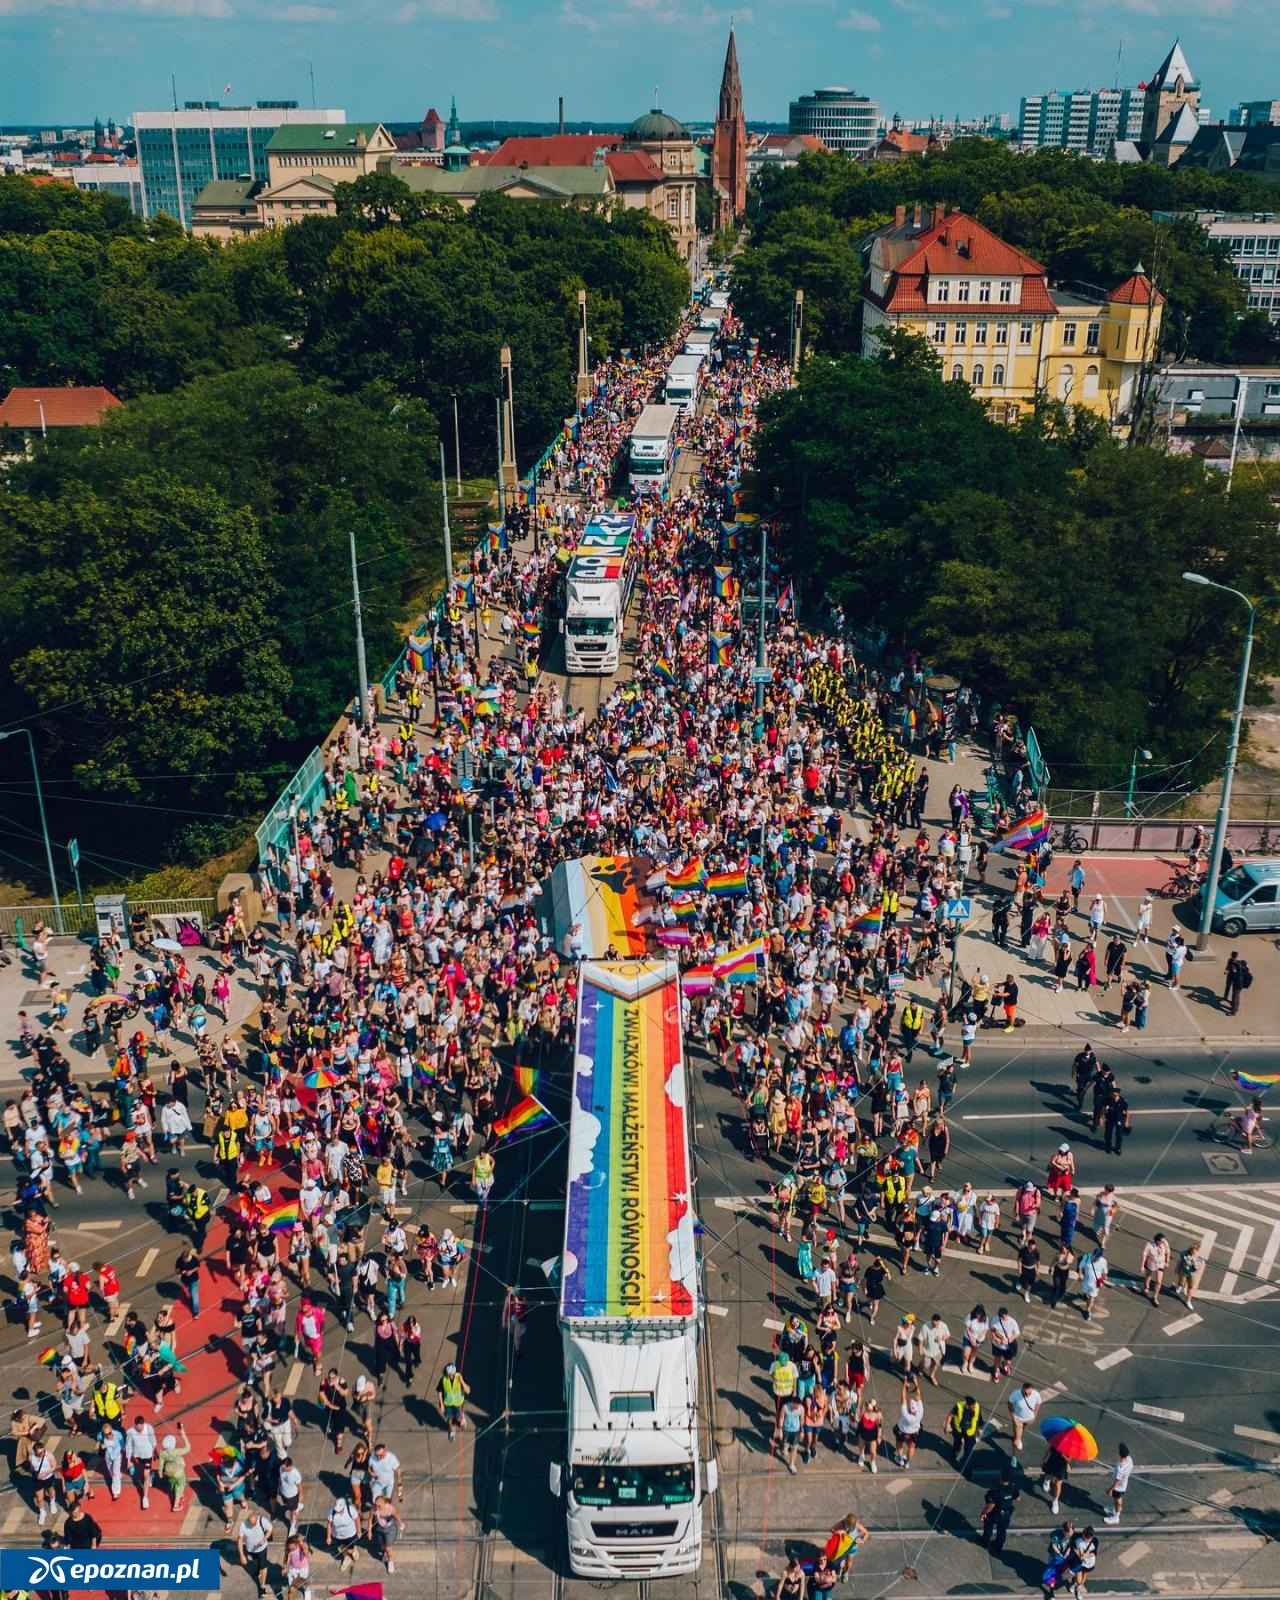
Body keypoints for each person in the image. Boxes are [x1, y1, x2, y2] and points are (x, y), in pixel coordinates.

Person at [980, 1468, 1021, 1555]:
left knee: (988, 1527)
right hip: (1006, 1513)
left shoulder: (996, 1490)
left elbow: (990, 1506)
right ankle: (998, 1547)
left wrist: (983, 1513)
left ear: (1001, 1478)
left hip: (994, 1514)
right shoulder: (1013, 1486)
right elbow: (1018, 1498)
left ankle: (985, 1542)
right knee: (1002, 1531)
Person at [237, 1508, 274, 1598]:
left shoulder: (262, 1520)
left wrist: (264, 1539)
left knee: (263, 1566)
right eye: (250, 1525)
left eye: (254, 1525)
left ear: (256, 1519)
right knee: (256, 1562)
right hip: (250, 1549)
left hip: (262, 1548)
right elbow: (240, 1540)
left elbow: (270, 1529)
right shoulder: (243, 1524)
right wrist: (242, 1555)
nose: (252, 1527)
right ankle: (258, 1570)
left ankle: (262, 1587)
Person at [947, 1395, 982, 1476]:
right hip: (959, 1430)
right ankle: (955, 1451)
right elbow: (950, 1415)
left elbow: (979, 1420)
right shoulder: (959, 1406)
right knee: (957, 1443)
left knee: (968, 1452)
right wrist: (947, 1425)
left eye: (974, 1405)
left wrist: (979, 1430)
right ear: (967, 1406)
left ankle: (968, 1471)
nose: (974, 1407)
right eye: (972, 1406)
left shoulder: (976, 1408)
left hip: (970, 1433)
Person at [436, 1361, 471, 1441]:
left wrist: (462, 1381)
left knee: (457, 1417)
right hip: (447, 1404)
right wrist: (441, 1403)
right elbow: (439, 1391)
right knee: (449, 1418)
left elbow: (468, 1391)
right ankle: (452, 1429)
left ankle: (460, 1417)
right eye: (450, 1374)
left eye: (453, 1373)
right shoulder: (443, 1379)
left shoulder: (459, 1377)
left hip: (458, 1404)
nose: (452, 1375)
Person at [1103, 1443, 1133, 1524]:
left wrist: (1110, 1489)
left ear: (1120, 1454)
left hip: (1118, 1488)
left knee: (1118, 1501)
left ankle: (1116, 1517)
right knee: (1117, 1500)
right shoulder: (1130, 1460)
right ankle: (1114, 1510)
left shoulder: (1120, 1467)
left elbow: (1117, 1480)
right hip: (1124, 1484)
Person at [1008, 1382, 1041, 1453]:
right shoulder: (1016, 1394)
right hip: (1018, 1419)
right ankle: (1014, 1455)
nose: (1028, 1395)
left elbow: (1038, 1403)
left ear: (1032, 1390)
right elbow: (1010, 1403)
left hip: (1029, 1419)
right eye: (1026, 1393)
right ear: (1022, 1390)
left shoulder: (1036, 1394)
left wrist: (1035, 1414)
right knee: (1016, 1438)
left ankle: (1018, 1434)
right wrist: (1013, 1414)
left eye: (1029, 1393)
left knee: (1023, 1428)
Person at [1141, 1234, 1171, 1305]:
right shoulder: (1149, 1244)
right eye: (1162, 1241)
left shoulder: (1165, 1244)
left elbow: (1168, 1252)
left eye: (1164, 1241)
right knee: (1148, 1274)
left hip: (1160, 1263)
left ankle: (1155, 1297)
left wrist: (1167, 1261)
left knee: (1159, 1281)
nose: (1164, 1243)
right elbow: (1144, 1254)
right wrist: (1142, 1266)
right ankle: (1146, 1287)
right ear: (1157, 1241)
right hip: (1151, 1262)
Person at [1176, 1240, 1207, 1310]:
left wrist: (1193, 1261)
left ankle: (1188, 1301)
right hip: (1184, 1271)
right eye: (1192, 1250)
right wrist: (1177, 1268)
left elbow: (1197, 1267)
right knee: (1181, 1282)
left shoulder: (1199, 1257)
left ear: (1198, 1250)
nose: (1193, 1252)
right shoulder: (1185, 1253)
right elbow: (1180, 1260)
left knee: (1190, 1287)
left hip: (1193, 1274)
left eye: (1195, 1250)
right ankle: (1180, 1286)